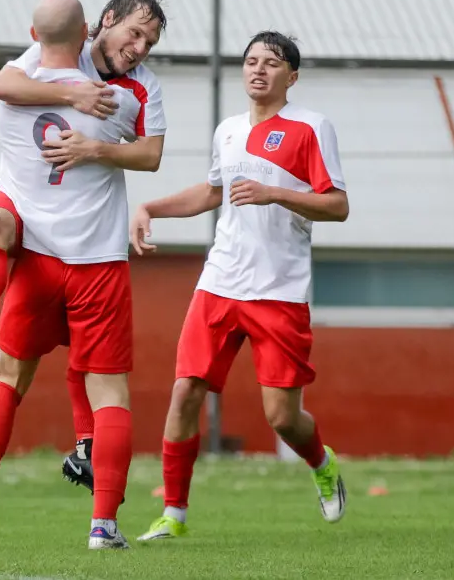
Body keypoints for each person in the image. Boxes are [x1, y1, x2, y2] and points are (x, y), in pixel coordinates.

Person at [0, 0, 155, 550]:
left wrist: (69, 105)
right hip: (96, 262)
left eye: (148, 40)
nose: (140, 47)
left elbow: (3, 86)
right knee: (109, 391)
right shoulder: (122, 98)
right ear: (92, 29)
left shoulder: (16, 87)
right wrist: (85, 107)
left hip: (34, 257)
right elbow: (150, 153)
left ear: (36, 37)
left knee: (8, 376)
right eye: (135, 34)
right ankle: (103, 524)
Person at [128, 31, 349, 542]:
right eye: (251, 61)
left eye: (271, 62)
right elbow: (212, 193)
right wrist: (150, 207)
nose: (258, 69)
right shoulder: (227, 130)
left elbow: (337, 205)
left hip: (279, 290)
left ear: (291, 76)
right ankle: (173, 515)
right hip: (220, 282)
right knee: (185, 390)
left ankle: (322, 463)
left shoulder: (311, 127)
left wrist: (274, 193)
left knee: (282, 418)